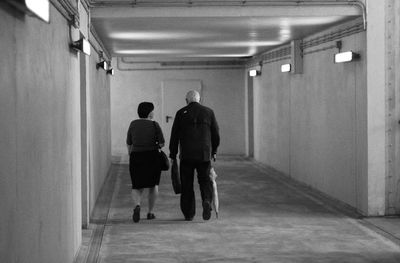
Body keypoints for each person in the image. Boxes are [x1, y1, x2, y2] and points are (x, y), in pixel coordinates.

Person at [169, 90, 220, 221]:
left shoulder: (180, 113)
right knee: (205, 181)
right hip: (204, 154)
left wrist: (172, 154)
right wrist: (214, 151)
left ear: (186, 100)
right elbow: (215, 134)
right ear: (199, 99)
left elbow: (174, 135)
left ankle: (189, 213)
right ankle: (207, 201)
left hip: (186, 155)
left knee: (187, 184)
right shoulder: (209, 112)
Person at [126, 102, 165, 223]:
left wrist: (131, 153)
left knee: (137, 185)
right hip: (152, 157)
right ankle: (150, 212)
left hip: (136, 157)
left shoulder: (133, 124)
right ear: (149, 113)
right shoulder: (154, 125)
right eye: (152, 110)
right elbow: (162, 143)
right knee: (153, 185)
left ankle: (137, 205)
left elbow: (129, 142)